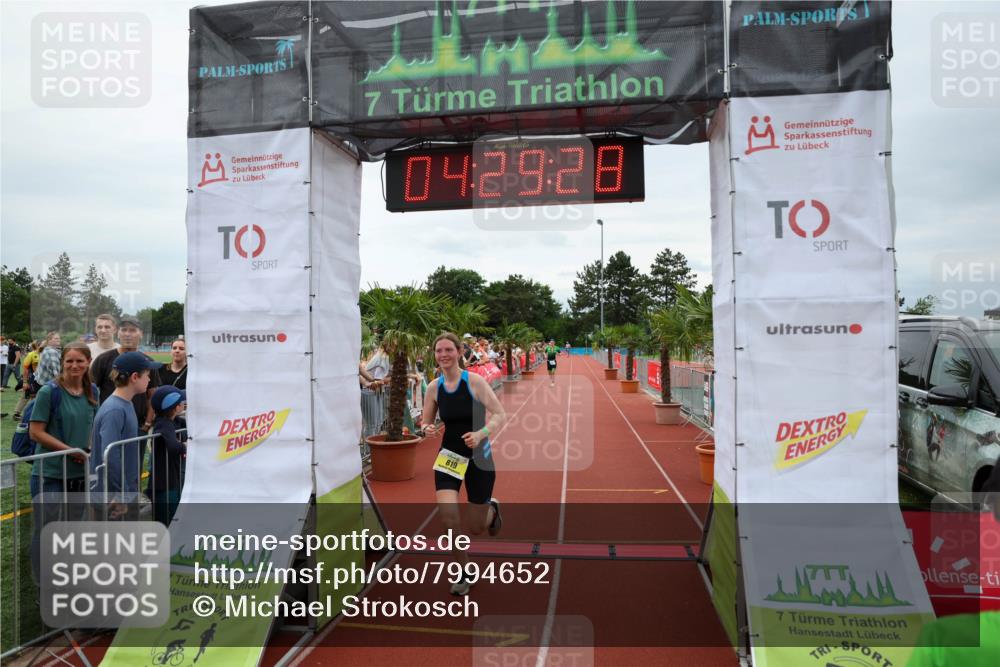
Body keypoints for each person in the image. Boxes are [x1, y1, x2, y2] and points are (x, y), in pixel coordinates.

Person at [421, 332, 506, 596]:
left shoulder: (475, 382)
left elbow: (499, 414)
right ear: (434, 355)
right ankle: (464, 569)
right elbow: (425, 421)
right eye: (438, 351)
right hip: (450, 456)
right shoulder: (434, 387)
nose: (443, 355)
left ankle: (492, 509)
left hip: (479, 457)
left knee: (476, 527)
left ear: (458, 352)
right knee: (449, 519)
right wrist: (427, 429)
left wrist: (481, 434)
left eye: (448, 350)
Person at [28, 343, 99, 581]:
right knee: (46, 528)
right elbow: (36, 432)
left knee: (73, 528)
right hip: (49, 473)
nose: (74, 365)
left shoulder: (93, 392)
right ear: (62, 363)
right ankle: (42, 582)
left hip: (78, 473)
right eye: (69, 361)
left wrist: (86, 450)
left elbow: (90, 425)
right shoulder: (50, 392)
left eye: (79, 360)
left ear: (88, 362)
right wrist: (71, 451)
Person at [90, 351, 160, 501]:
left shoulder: (125, 404)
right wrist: (121, 494)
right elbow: (110, 457)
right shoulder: (115, 410)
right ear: (135, 377)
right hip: (113, 497)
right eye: (147, 374)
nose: (149, 379)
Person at [90, 317, 161, 432]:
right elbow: (90, 391)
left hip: (138, 426)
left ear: (141, 334)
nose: (127, 334)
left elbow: (152, 395)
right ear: (118, 333)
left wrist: (147, 423)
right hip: (110, 423)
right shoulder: (103, 360)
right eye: (124, 330)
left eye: (132, 330)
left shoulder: (149, 362)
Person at [147, 386, 187, 525]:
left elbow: (185, 428)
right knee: (167, 522)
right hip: (163, 485)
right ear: (176, 408)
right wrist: (185, 446)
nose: (185, 403)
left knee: (173, 516)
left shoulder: (175, 422)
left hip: (172, 481)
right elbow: (173, 446)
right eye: (182, 402)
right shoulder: (163, 424)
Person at [12, 341, 42, 421]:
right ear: (37, 346)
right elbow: (25, 369)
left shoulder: (45, 355)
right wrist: (25, 382)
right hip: (31, 379)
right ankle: (17, 414)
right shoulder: (31, 354)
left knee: (33, 397)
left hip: (40, 380)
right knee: (28, 396)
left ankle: (20, 413)